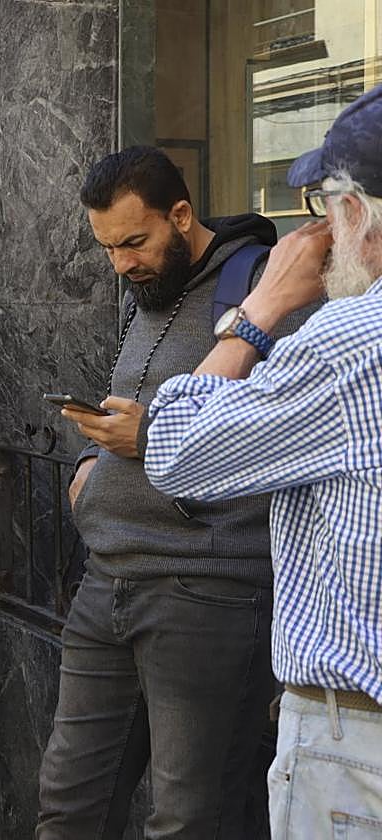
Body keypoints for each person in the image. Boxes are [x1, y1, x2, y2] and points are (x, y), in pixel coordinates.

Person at [36, 146, 310, 838]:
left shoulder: (266, 295)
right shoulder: (147, 294)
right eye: (107, 248)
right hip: (107, 585)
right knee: (69, 805)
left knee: (191, 819)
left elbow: (287, 434)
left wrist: (151, 435)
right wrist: (87, 464)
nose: (122, 263)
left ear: (181, 216)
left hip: (208, 593)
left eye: (135, 241)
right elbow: (126, 402)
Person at [143, 85, 382, 839]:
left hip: (356, 744)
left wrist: (262, 309)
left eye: (323, 205)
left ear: (358, 214)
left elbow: (173, 449)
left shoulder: (347, 342)